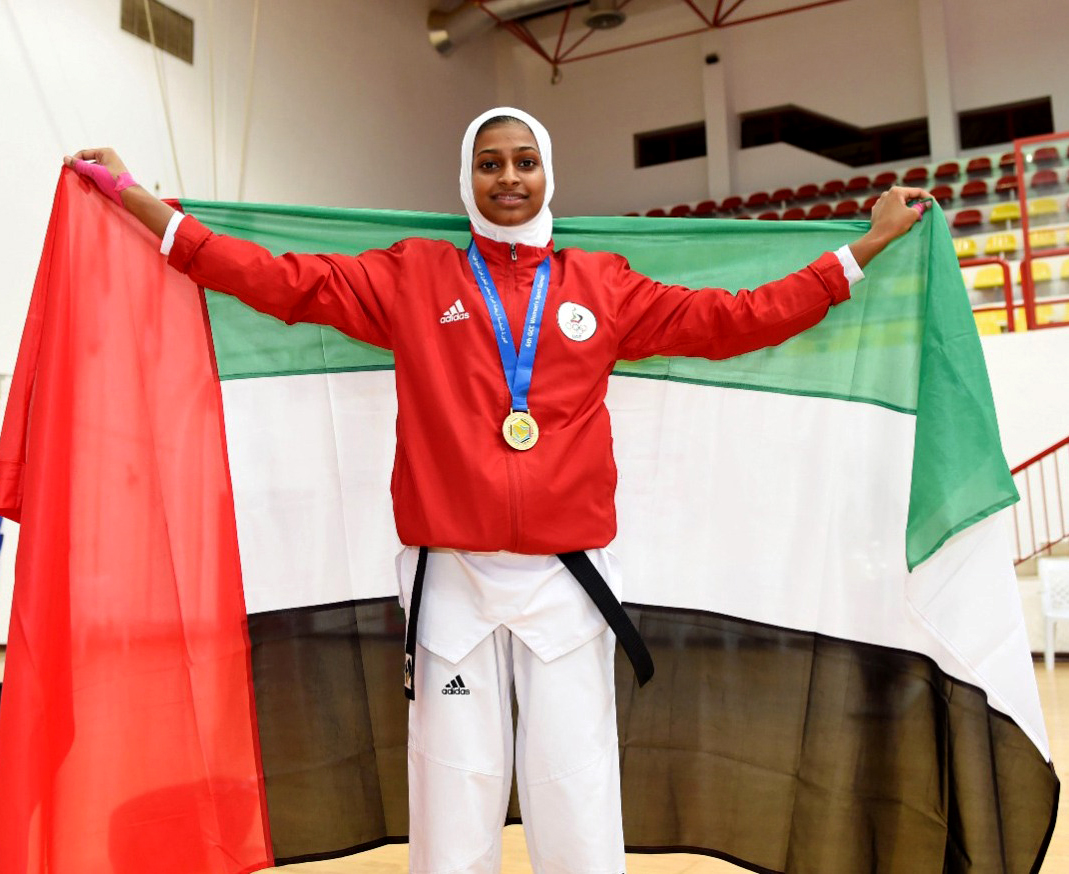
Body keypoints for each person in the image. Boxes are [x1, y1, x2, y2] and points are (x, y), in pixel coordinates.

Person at [65, 106, 931, 874]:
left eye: (524, 161)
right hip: (452, 583)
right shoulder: (411, 276)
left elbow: (734, 319)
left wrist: (861, 250)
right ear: (465, 179)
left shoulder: (603, 285)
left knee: (575, 790)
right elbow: (274, 279)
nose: (508, 178)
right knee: (453, 794)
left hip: (567, 584)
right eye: (490, 164)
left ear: (548, 173)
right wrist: (140, 202)